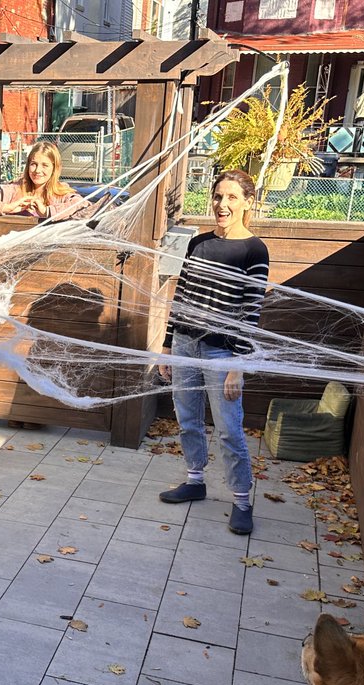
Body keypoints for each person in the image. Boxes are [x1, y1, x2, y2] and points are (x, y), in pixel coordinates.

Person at [158, 170, 269, 536]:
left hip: (223, 353)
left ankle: (240, 499)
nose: (222, 205)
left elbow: (250, 313)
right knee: (187, 417)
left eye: (232, 198)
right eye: (218, 197)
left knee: (228, 429)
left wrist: (238, 366)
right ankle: (195, 479)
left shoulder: (254, 250)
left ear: (248, 202)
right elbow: (181, 297)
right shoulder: (198, 243)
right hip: (187, 344)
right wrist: (167, 345)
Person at [0, 140, 92, 222]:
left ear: (54, 168)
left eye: (45, 165)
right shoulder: (13, 190)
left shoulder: (62, 194)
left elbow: (84, 206)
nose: (37, 170)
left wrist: (47, 211)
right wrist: (7, 207)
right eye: (33, 164)